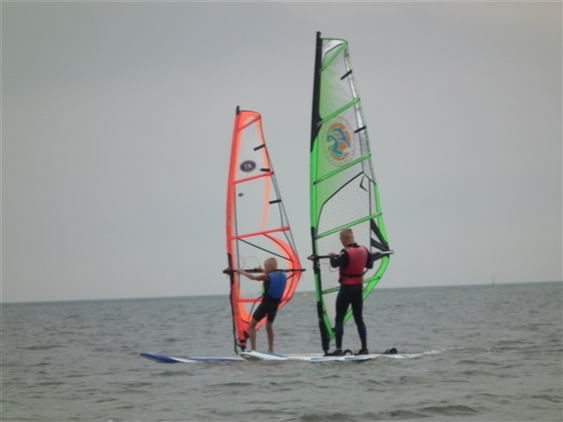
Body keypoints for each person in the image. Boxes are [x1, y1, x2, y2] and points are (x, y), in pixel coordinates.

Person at [325, 228, 374, 356]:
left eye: (341, 240)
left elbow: (334, 264)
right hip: (358, 289)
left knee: (339, 319)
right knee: (359, 319)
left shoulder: (345, 252)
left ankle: (338, 349)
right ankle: (364, 348)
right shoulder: (364, 250)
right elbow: (370, 265)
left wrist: (331, 256)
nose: (341, 243)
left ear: (345, 239)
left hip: (346, 289)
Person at [237, 257, 287, 353]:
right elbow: (271, 273)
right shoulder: (282, 275)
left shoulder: (266, 276)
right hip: (275, 305)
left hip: (266, 304)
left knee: (251, 326)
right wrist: (262, 270)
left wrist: (242, 272)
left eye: (266, 267)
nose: (265, 269)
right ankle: (271, 349)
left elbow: (254, 278)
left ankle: (253, 350)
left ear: (271, 267)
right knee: (269, 327)